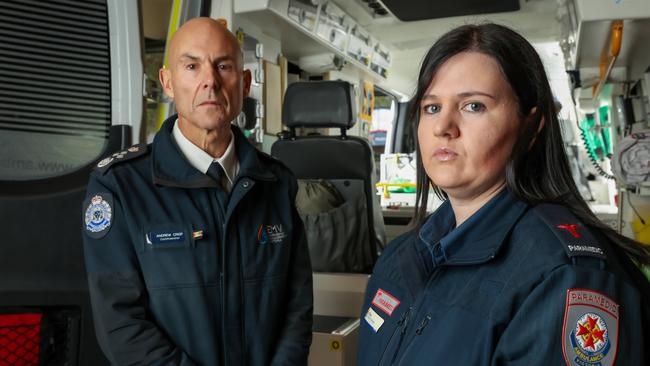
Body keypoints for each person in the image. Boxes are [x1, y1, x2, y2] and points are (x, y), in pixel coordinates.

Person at [357, 23, 650, 365]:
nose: (443, 127)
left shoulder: (565, 280)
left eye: (474, 106)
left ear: (532, 125)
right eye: (432, 107)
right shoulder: (400, 256)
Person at [82, 17, 312, 365]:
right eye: (192, 66)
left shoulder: (276, 183)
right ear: (168, 82)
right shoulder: (121, 186)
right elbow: (121, 323)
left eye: (223, 66)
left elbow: (297, 307)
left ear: (245, 82)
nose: (210, 81)